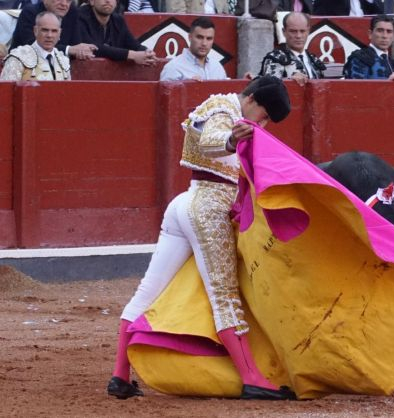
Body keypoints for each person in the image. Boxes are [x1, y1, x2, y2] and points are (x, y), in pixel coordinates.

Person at [107, 75, 296, 401]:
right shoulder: (225, 109)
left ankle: (120, 376)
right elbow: (211, 139)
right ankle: (252, 377)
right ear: (251, 99)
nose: (262, 122)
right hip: (207, 207)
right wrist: (229, 140)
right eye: (263, 114)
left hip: (186, 203)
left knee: (147, 292)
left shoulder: (222, 108)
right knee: (224, 295)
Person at [10, 0, 97, 60]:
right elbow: (32, 45)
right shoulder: (29, 12)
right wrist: (69, 50)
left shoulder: (72, 12)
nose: (64, 4)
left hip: (59, 70)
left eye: (68, 0)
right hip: (24, 68)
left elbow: (76, 45)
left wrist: (81, 51)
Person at [78, 0, 156, 65]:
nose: (108, 1)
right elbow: (92, 48)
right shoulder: (79, 16)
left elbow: (134, 45)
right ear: (92, 1)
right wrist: (132, 55)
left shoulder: (118, 20)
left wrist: (148, 52)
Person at [258, 12, 325, 86]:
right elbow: (269, 87)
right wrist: (289, 80)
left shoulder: (314, 59)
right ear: (284, 32)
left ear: (308, 31)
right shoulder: (275, 58)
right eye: (293, 31)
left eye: (302, 31)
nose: (298, 36)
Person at [1, 11, 70, 80]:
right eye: (45, 30)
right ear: (35, 31)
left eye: (54, 31)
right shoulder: (18, 57)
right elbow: (5, 89)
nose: (49, 35)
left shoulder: (63, 61)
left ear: (59, 33)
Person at [160, 17, 227, 81]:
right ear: (190, 37)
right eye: (199, 37)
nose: (204, 43)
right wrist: (189, 87)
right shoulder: (173, 67)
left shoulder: (217, 67)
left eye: (209, 38)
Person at [343, 14, 394, 80]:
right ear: (370, 34)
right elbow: (357, 88)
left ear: (393, 36)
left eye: (389, 32)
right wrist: (388, 83)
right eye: (380, 31)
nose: (385, 36)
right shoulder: (359, 58)